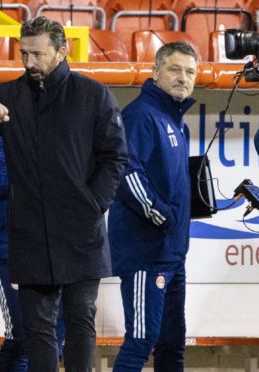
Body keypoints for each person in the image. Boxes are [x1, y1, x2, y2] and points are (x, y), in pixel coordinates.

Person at [0, 16, 127, 372]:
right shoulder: (9, 95)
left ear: (62, 52)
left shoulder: (93, 95)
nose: (29, 63)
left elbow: (115, 157)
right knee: (37, 330)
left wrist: (93, 205)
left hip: (81, 232)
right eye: (23, 54)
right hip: (30, 234)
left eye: (38, 54)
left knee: (80, 321)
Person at [107, 41, 198, 371]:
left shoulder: (176, 122)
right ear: (155, 72)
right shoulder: (140, 115)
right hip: (146, 253)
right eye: (174, 70)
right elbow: (124, 172)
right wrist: (161, 215)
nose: (182, 78)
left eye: (189, 72)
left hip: (173, 254)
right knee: (141, 341)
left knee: (172, 344)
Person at [0, 134, 66, 371]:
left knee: (53, 337)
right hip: (9, 248)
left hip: (55, 249)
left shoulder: (57, 123)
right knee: (24, 337)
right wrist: (43, 173)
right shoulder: (1, 129)